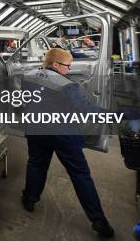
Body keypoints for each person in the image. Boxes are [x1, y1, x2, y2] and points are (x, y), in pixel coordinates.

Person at [20, 48, 114, 238]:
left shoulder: (27, 77)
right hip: (63, 135)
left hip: (36, 130)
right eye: (67, 66)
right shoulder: (67, 85)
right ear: (55, 64)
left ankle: (30, 199)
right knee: (80, 174)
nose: (69, 70)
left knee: (36, 164)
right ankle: (98, 220)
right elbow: (86, 110)